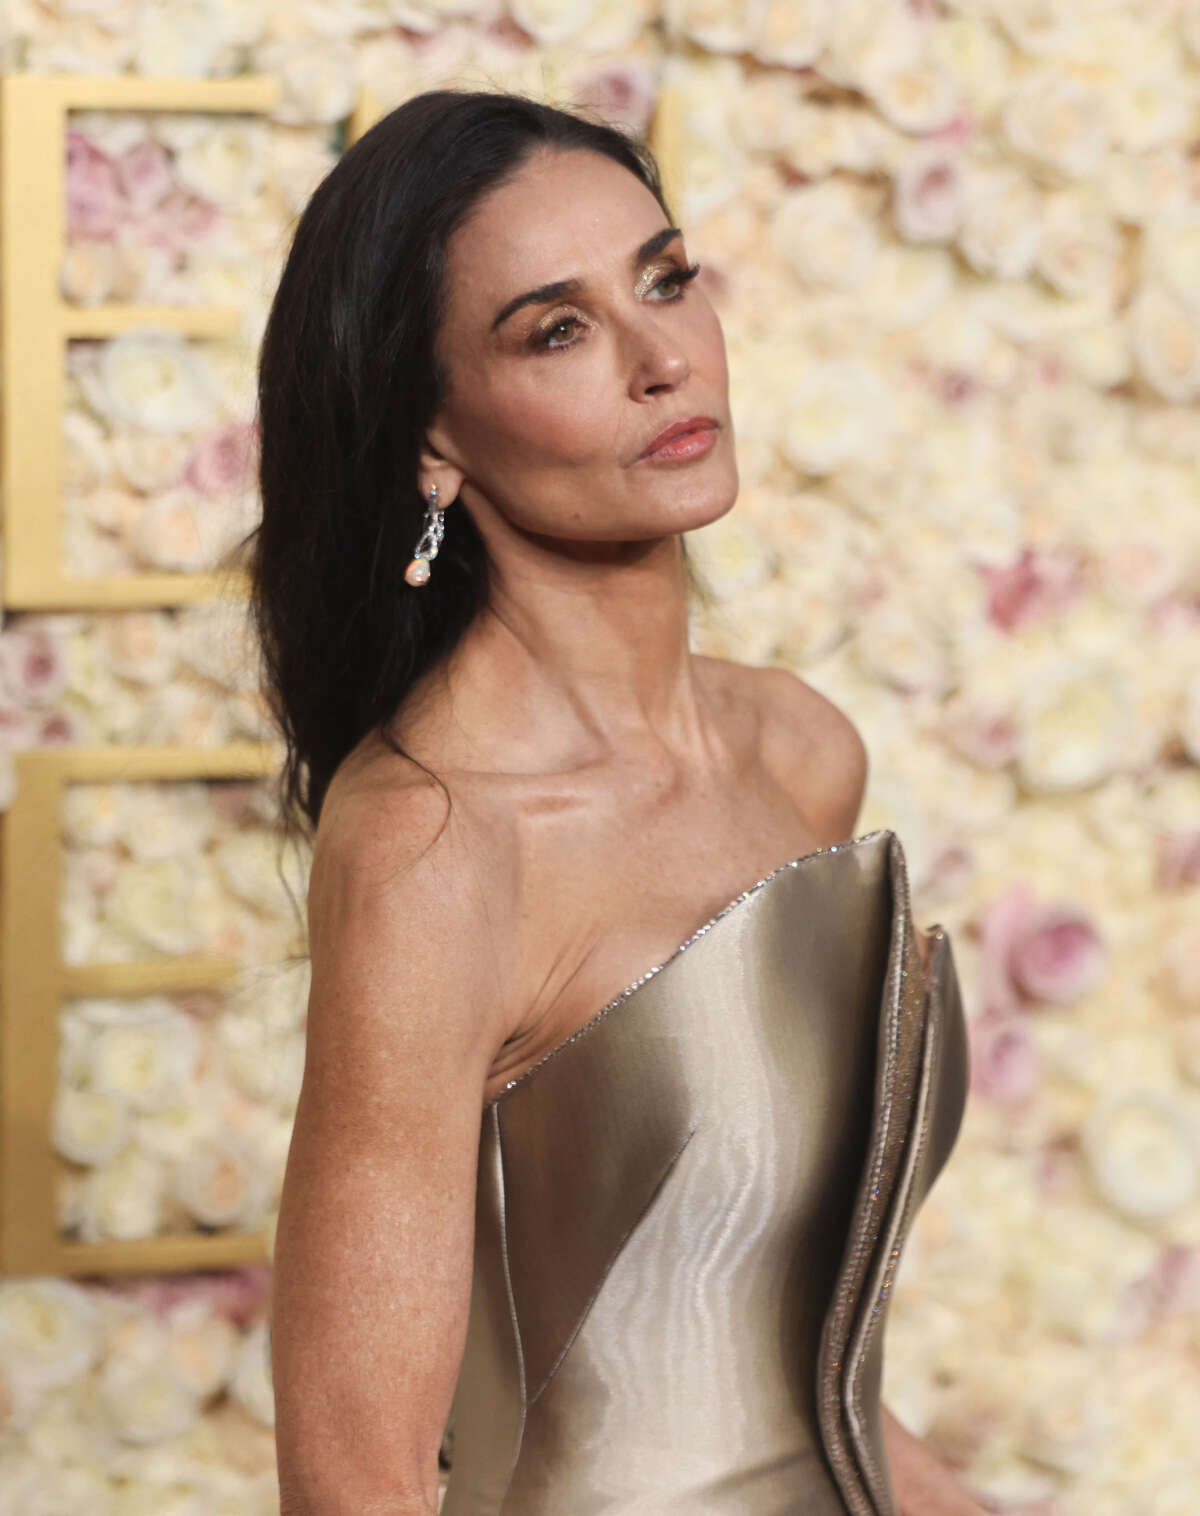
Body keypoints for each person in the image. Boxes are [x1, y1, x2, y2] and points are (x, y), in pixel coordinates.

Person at [250, 88, 980, 1516]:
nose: (664, 361)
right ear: (430, 437)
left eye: (666, 279)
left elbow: (782, 1346)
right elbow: (354, 1476)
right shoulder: (436, 843)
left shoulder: (799, 751)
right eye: (556, 331)